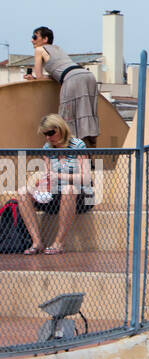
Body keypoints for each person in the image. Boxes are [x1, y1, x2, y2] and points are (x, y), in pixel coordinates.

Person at [16, 114, 94, 255]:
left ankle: (59, 242)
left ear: (61, 129)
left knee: (68, 188)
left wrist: (58, 175)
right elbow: (47, 175)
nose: (48, 137)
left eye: (51, 133)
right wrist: (42, 184)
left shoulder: (78, 145)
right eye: (45, 134)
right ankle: (37, 242)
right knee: (22, 192)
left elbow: (86, 178)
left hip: (81, 195)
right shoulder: (47, 148)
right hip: (55, 193)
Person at [26, 27, 100, 143]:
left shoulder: (39, 49)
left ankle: (69, 150)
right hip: (87, 75)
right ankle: (91, 154)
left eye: (35, 37)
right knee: (87, 115)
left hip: (72, 78)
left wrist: (35, 78)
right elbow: (61, 70)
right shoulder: (58, 48)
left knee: (67, 117)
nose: (32, 40)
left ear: (45, 39)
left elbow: (39, 76)